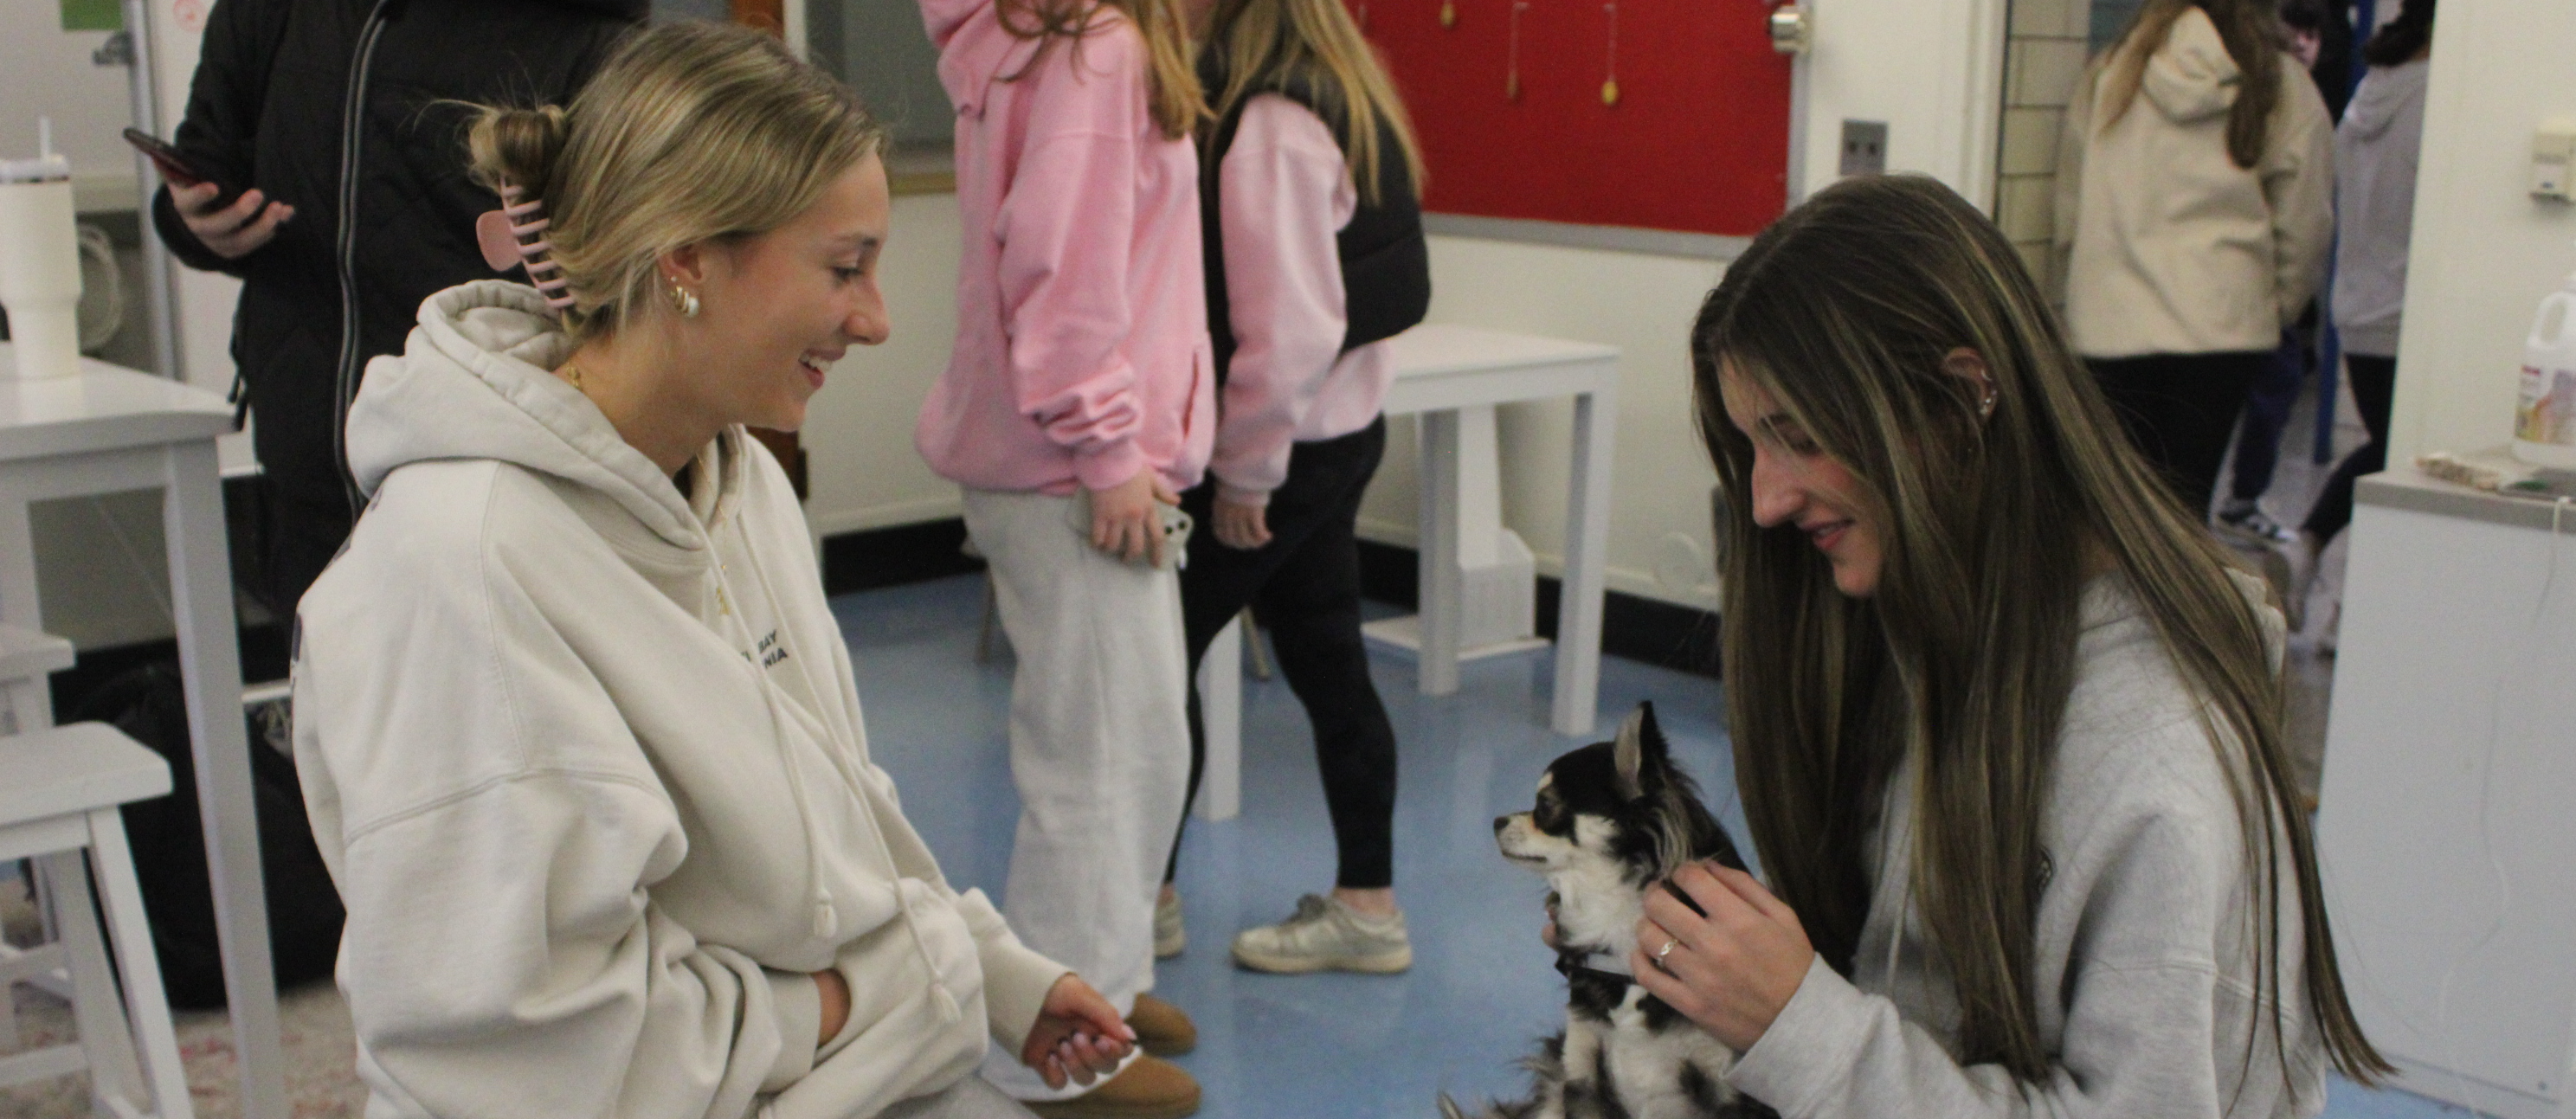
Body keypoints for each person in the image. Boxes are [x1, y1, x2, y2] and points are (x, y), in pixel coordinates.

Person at [289, 23, 1134, 1119]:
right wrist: (870, 994)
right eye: (845, 268)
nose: (877, 321)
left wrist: (991, 969)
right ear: (685, 258)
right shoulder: (462, 567)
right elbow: (525, 1060)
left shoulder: (734, 482)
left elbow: (826, 800)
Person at [1625, 174, 2390, 1116]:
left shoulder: (2156, 762)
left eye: (1799, 438)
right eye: (1753, 447)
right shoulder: (1932, 620)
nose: (1766, 501)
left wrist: (1803, 1030)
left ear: (1962, 395)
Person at [912, 0, 1214, 1109]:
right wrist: (1106, 447)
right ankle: (1058, 1057)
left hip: (1065, 460)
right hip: (1071, 468)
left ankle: (1110, 986)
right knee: (1094, 765)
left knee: (1139, 748)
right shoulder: (1095, 47)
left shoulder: (1055, 41)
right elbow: (1061, 265)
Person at [152, 0, 643, 620]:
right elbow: (205, 164)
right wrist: (197, 221)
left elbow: (617, 270)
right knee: (327, 700)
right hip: (306, 451)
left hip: (487, 473)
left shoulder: (584, 31)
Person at [1156, 0, 1432, 974]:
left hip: (1283, 453)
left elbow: (1289, 332)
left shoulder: (1269, 121)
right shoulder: (1349, 89)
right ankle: (1368, 907)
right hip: (1340, 433)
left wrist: (1244, 475)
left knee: (1158, 657)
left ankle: (1143, 901)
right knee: (1327, 662)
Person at [2055, 0, 2334, 517]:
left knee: (2113, 510)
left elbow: (2070, 209)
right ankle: (2179, 599)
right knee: (2184, 510)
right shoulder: (2280, 83)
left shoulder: (2112, 73)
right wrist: (2276, 309)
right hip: (2220, 326)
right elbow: (2305, 220)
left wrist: (2076, 290)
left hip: (2108, 321)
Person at [2274, 0, 2434, 636]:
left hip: (2360, 305)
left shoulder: (2373, 88)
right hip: (2407, 315)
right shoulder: (2437, 101)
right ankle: (2322, 571)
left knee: (2387, 454)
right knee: (2403, 463)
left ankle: (2317, 568)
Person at [2211, 0, 2358, 548]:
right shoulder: (2287, 94)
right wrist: (2281, 310)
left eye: (2311, 35)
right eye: (2293, 32)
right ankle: (2241, 502)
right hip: (2247, 295)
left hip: (2166, 303)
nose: (2301, 43)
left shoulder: (2124, 74)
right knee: (2270, 387)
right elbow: (2305, 219)